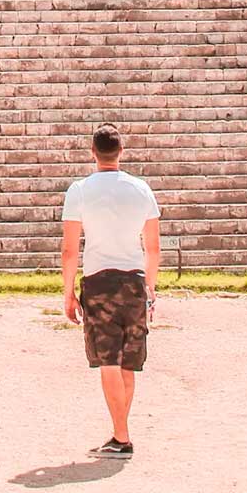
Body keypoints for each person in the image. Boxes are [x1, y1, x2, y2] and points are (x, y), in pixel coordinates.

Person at [60, 123, 161, 460]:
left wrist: (68, 293)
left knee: (108, 363)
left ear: (93, 152)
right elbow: (153, 248)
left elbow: (70, 251)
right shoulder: (141, 189)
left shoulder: (80, 190)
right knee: (127, 363)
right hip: (133, 282)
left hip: (99, 282)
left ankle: (122, 436)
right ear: (121, 152)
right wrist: (150, 289)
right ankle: (120, 433)